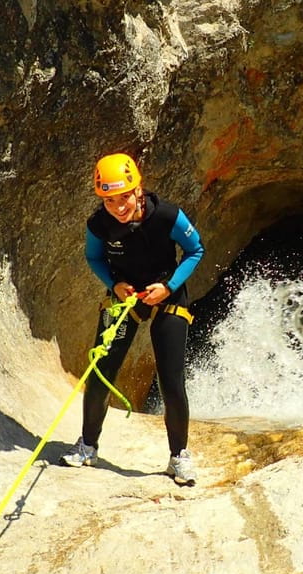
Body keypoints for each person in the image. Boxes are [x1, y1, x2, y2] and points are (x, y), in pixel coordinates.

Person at [60, 152, 205, 486]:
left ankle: (178, 457)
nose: (118, 206)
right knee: (100, 374)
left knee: (171, 380)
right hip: (126, 295)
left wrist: (169, 286)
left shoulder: (168, 216)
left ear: (138, 190)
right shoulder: (99, 225)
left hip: (167, 291)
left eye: (124, 197)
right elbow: (93, 257)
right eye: (109, 200)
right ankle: (87, 445)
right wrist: (114, 284)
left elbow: (196, 250)